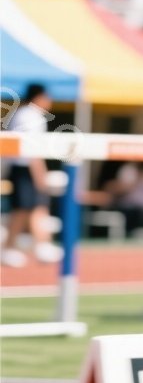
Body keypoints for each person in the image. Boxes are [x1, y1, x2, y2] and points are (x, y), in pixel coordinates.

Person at [3, 84, 65, 268]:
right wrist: (40, 176)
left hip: (22, 168)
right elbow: (32, 151)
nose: (50, 102)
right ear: (39, 97)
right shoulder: (30, 116)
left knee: (37, 207)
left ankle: (42, 245)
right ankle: (9, 248)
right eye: (48, 98)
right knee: (22, 210)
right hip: (24, 168)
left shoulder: (26, 114)